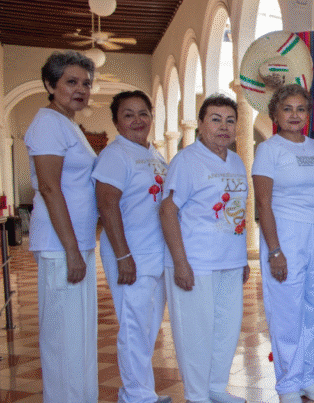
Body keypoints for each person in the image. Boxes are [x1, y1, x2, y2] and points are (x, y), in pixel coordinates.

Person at [252, 84, 314, 403]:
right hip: (285, 233)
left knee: (312, 307)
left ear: (307, 114)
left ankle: (306, 376)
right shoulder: (269, 149)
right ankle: (287, 385)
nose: (294, 115)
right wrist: (274, 250)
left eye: (300, 109)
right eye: (287, 109)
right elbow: (263, 204)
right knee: (286, 310)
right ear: (275, 113)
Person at [159, 94, 250, 403]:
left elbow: (236, 210)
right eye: (215, 119)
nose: (223, 127)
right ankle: (196, 395)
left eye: (230, 120)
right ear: (200, 125)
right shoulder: (186, 161)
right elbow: (167, 211)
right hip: (195, 262)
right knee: (195, 333)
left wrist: (242, 259)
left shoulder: (236, 160)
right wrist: (180, 263)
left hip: (230, 262)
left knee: (226, 328)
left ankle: (215, 387)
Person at [24, 50, 98, 402]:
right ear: (50, 84)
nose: (80, 89)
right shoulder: (47, 124)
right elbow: (50, 187)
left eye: (86, 83)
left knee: (79, 336)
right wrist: (71, 251)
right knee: (63, 337)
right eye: (71, 82)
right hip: (59, 245)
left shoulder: (67, 124)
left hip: (76, 243)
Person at [92, 91, 171, 403]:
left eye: (143, 113)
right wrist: (124, 255)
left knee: (148, 326)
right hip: (130, 254)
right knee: (134, 324)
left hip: (157, 253)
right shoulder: (115, 155)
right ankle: (137, 395)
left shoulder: (155, 154)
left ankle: (137, 391)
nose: (138, 120)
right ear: (115, 122)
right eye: (128, 114)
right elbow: (107, 206)